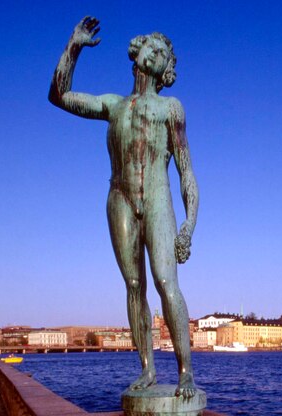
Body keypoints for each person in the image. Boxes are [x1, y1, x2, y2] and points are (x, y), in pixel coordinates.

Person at [49, 16, 199, 398]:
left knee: (166, 283)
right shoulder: (113, 106)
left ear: (166, 68)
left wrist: (189, 225)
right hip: (119, 198)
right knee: (134, 286)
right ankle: (147, 370)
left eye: (162, 52)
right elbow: (60, 95)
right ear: (138, 53)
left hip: (158, 200)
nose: (154, 52)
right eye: (151, 45)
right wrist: (74, 46)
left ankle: (185, 373)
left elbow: (186, 174)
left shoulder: (171, 108)